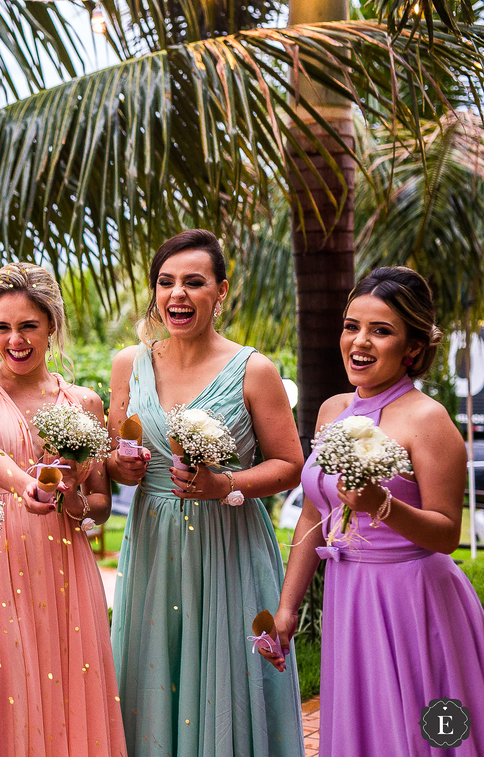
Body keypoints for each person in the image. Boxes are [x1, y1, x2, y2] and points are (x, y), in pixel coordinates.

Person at [268, 266, 484, 755]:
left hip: (413, 601)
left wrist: (383, 506)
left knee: (420, 732)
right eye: (352, 326)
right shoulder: (331, 410)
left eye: (380, 330)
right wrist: (287, 608)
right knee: (363, 728)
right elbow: (311, 515)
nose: (359, 342)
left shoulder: (428, 420)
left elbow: (448, 534)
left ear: (412, 348)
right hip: (349, 598)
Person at [105, 229, 305, 756]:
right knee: (154, 670)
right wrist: (122, 466)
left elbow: (290, 466)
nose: (178, 295)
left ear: (221, 291)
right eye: (166, 282)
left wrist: (226, 484)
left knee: (230, 677)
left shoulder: (253, 369)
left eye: (194, 282)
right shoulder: (129, 364)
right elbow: (115, 462)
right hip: (153, 545)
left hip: (229, 544)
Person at [0, 263, 125, 757]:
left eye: (28, 325)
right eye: (1, 327)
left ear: (51, 326)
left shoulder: (84, 403)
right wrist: (28, 484)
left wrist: (70, 490)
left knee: (65, 689)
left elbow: (100, 508)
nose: (15, 339)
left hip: (63, 566)